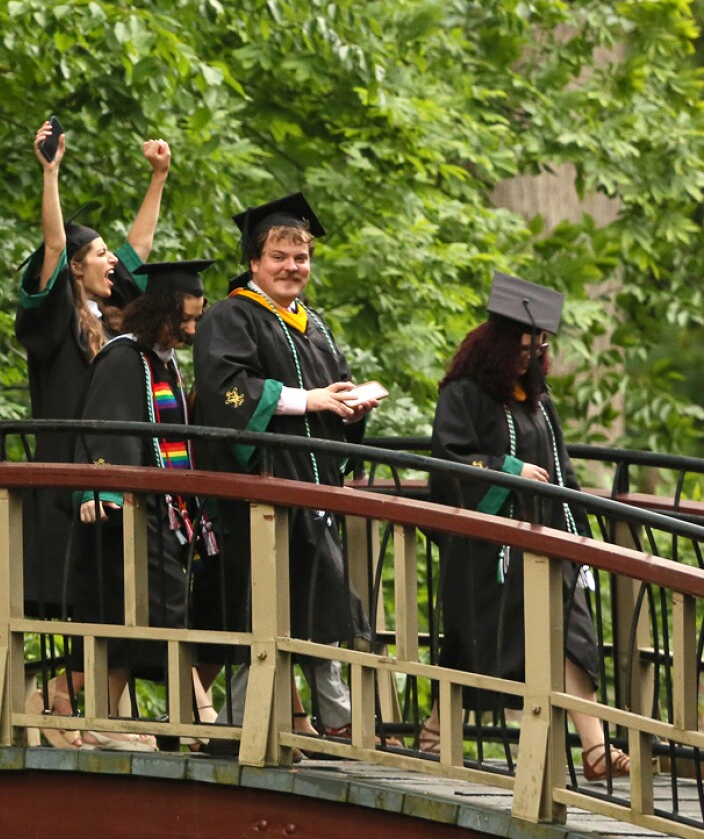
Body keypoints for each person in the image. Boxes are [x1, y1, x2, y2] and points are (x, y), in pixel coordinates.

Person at [425, 273, 629, 782]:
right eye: (520, 349)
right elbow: (449, 463)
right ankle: (433, 733)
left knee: (571, 637)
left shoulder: (537, 400)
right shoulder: (463, 395)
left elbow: (564, 472)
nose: (529, 359)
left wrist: (580, 533)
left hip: (546, 545)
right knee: (476, 647)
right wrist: (507, 471)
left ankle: (596, 748)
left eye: (536, 350)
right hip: (487, 550)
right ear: (495, 347)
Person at [191, 194, 379, 743]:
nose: (292, 267)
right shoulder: (230, 317)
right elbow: (226, 393)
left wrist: (348, 408)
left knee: (325, 605)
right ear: (254, 262)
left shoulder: (312, 324)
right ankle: (242, 728)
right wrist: (310, 400)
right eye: (279, 256)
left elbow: (328, 397)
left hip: (313, 492)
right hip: (260, 495)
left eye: (301, 258)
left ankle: (337, 722)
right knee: (261, 612)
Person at [15, 119, 172, 721]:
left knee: (114, 598)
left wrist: (158, 180)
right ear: (76, 268)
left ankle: (97, 715)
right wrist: (50, 173)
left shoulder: (112, 325)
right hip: (67, 480)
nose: (113, 259)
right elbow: (54, 246)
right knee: (90, 599)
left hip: (105, 474)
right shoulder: (56, 323)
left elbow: (139, 252)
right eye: (100, 253)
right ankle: (64, 704)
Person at [68, 259, 219, 749]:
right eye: (186, 319)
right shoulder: (123, 358)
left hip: (164, 510)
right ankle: (201, 720)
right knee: (156, 612)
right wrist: (100, 487)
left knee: (139, 619)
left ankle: (103, 721)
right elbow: (103, 425)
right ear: (160, 311)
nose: (192, 328)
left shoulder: (164, 361)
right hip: (126, 512)